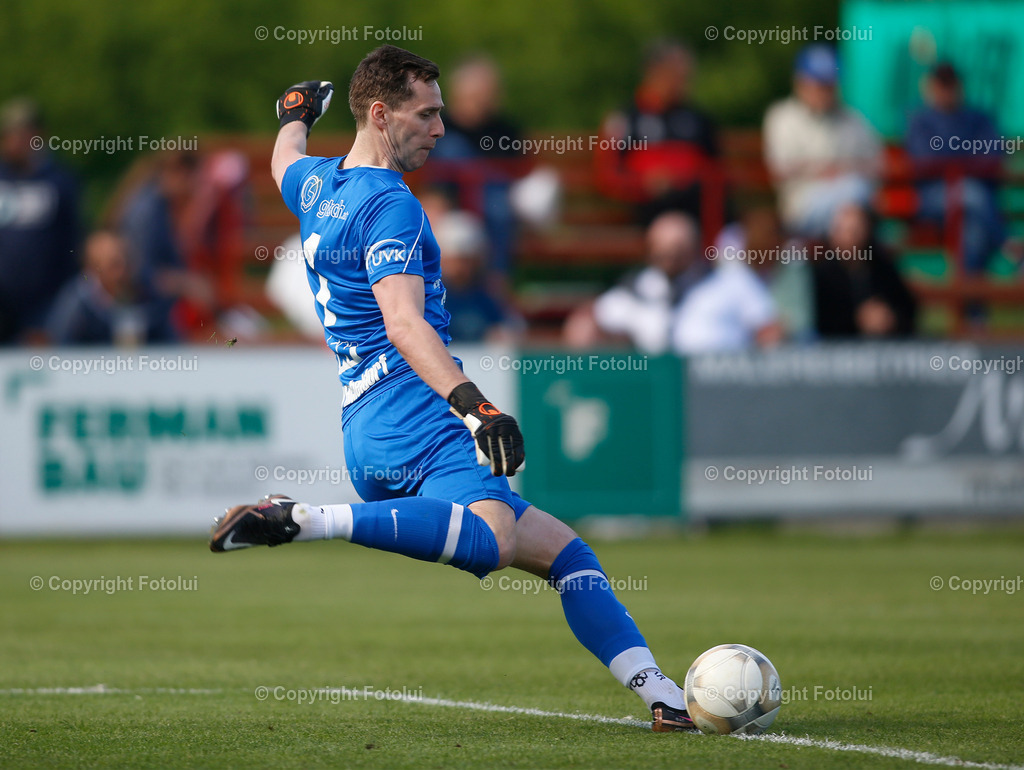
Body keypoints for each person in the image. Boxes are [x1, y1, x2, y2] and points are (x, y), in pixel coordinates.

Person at [210, 46, 695, 733]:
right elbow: (404, 323)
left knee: (567, 555)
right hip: (418, 418)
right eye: (427, 114)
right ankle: (305, 518)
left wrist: (294, 114)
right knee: (495, 537)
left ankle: (661, 693)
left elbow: (282, 157)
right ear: (381, 115)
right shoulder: (392, 207)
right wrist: (478, 407)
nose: (441, 129)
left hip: (365, 429)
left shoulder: (315, 184)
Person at [763, 44, 882, 238]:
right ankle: (851, 263)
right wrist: (830, 170)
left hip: (847, 207)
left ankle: (842, 262)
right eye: (819, 83)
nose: (825, 91)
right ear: (800, 82)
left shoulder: (852, 119)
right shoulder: (782, 117)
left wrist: (834, 171)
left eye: (830, 83)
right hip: (801, 206)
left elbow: (877, 164)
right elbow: (781, 169)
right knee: (855, 195)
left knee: (852, 208)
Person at [596, 39, 719, 225]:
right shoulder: (624, 119)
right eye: (675, 73)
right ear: (653, 71)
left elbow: (717, 171)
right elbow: (607, 176)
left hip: (698, 213)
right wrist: (643, 183)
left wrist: (685, 178)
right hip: (647, 214)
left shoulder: (698, 119)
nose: (683, 81)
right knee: (673, 236)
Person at [905, 62, 1006, 275]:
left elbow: (991, 157)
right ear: (931, 87)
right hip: (932, 200)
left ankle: (971, 306)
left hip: (973, 207)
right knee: (971, 192)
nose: (946, 91)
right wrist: (965, 161)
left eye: (950, 85)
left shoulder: (979, 118)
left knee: (972, 233)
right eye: (941, 85)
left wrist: (953, 163)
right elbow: (924, 161)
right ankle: (1011, 247)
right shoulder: (920, 120)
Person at [562, 211, 707, 353]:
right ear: (651, 249)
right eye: (662, 249)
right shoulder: (636, 288)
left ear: (694, 248)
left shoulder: (715, 288)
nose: (671, 256)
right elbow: (592, 318)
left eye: (678, 248)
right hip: (649, 371)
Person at [0, 98, 80, 343]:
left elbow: (72, 240)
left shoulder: (59, 181)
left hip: (46, 304)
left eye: (21, 134)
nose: (13, 142)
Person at [47, 230, 177, 345]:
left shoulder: (150, 296)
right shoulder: (76, 304)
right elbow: (60, 351)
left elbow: (170, 345)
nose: (123, 271)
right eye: (114, 265)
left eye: (128, 261)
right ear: (94, 270)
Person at [812, 203, 917, 339]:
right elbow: (821, 323)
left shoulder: (883, 267)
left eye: (854, 231)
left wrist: (891, 318)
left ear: (867, 232)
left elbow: (908, 310)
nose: (848, 238)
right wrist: (858, 320)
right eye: (842, 231)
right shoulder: (823, 274)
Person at [433, 209, 520, 344]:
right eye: (454, 261)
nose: (460, 268)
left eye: (466, 261)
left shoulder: (486, 298)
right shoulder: (429, 299)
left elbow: (504, 330)